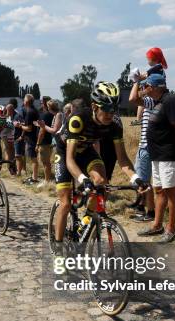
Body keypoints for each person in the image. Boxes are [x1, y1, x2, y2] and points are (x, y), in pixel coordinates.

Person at [52, 82, 148, 256]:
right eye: (107, 109)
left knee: (102, 183)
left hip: (87, 150)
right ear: (95, 106)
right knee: (66, 203)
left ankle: (87, 219)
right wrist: (83, 179)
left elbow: (123, 159)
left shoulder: (115, 125)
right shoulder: (78, 119)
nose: (111, 114)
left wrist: (136, 178)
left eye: (114, 109)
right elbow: (70, 159)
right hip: (66, 152)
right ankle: (58, 252)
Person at [137, 73, 175, 243]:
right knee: (159, 190)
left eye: (146, 86)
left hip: (167, 154)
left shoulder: (170, 101)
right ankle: (157, 225)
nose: (144, 89)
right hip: (157, 155)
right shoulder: (159, 102)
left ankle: (171, 228)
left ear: (154, 87)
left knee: (170, 191)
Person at [128, 72, 157, 222]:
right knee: (146, 180)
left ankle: (149, 211)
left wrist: (137, 81)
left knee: (143, 181)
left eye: (146, 86)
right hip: (149, 146)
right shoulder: (154, 101)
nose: (142, 88)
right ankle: (144, 207)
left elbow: (134, 99)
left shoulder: (151, 101)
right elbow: (139, 114)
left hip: (146, 146)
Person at [130, 47, 168, 126]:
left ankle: (138, 119)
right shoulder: (158, 67)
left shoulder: (157, 67)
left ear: (154, 59)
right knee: (142, 100)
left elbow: (145, 75)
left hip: (155, 89)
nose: (147, 60)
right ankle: (140, 119)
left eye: (148, 59)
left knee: (142, 101)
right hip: (156, 89)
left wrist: (136, 78)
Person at [16, 94, 40, 185]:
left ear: (26, 102)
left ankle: (34, 178)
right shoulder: (34, 110)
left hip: (32, 138)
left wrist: (20, 126)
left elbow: (29, 128)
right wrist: (22, 135)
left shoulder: (29, 112)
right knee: (32, 158)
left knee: (33, 158)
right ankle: (33, 176)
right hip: (32, 137)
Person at [35, 96, 55, 185]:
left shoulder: (46, 115)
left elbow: (42, 131)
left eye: (42, 102)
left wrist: (38, 143)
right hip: (48, 141)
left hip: (44, 142)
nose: (41, 104)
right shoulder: (50, 114)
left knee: (45, 162)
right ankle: (47, 179)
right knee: (46, 162)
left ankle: (47, 181)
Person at [9, 98, 26, 178]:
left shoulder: (17, 116)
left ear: (11, 110)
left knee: (18, 156)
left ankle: (19, 173)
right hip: (12, 138)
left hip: (18, 138)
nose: (7, 112)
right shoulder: (10, 117)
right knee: (16, 156)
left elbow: (24, 126)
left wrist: (21, 136)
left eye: (8, 110)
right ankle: (19, 171)